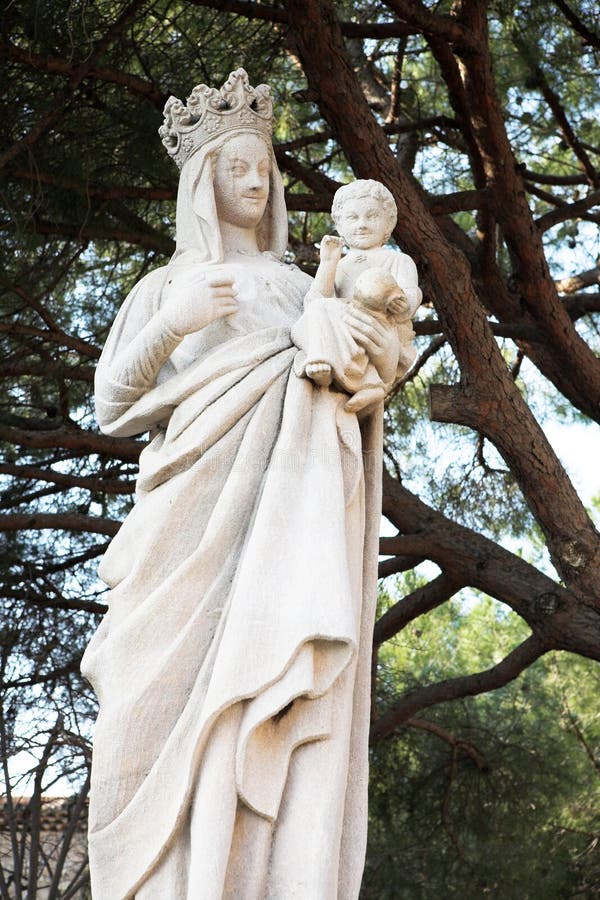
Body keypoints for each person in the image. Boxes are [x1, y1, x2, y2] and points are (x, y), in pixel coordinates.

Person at [81, 69, 410, 900]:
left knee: (280, 697)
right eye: (235, 166)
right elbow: (112, 403)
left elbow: (371, 369)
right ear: (203, 182)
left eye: (263, 164)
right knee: (141, 709)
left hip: (293, 514)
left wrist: (367, 356)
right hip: (185, 526)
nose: (255, 178)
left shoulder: (308, 287)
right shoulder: (165, 286)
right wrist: (174, 321)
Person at [293, 180, 421, 412]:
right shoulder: (341, 265)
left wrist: (404, 304)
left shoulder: (396, 259)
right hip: (345, 329)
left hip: (378, 323)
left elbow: (411, 292)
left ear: (388, 223)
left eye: (371, 216)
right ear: (340, 227)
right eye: (352, 218)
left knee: (335, 305)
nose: (361, 225)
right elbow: (316, 301)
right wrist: (328, 263)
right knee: (313, 316)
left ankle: (372, 381)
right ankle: (326, 363)